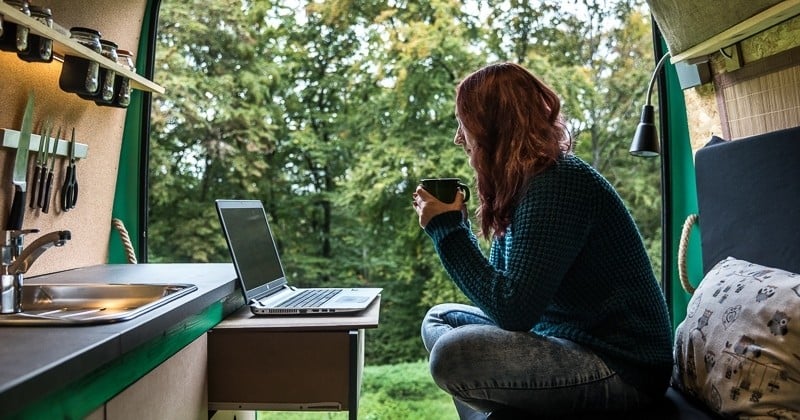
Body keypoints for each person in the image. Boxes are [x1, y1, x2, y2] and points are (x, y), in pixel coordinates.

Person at [411, 62, 673, 419]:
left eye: (464, 123)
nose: (459, 137)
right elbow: (505, 297)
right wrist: (456, 226)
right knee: (439, 319)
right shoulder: (522, 186)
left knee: (451, 355)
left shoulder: (557, 183)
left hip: (623, 368)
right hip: (561, 338)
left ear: (492, 126)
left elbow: (512, 310)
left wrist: (447, 231)